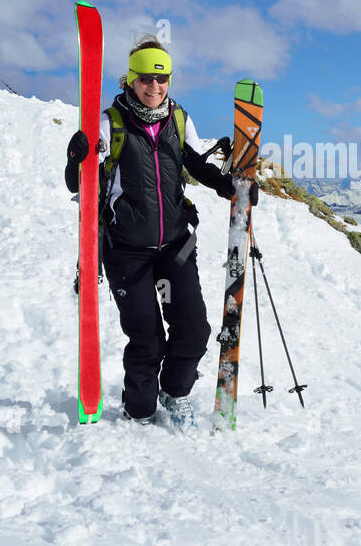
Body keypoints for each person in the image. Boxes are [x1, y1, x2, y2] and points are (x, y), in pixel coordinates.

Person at [65, 36, 257, 429]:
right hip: (126, 251)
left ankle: (175, 392)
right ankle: (139, 409)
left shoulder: (179, 119)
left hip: (175, 247)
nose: (155, 87)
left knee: (193, 329)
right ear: (130, 80)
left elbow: (198, 165)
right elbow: (79, 183)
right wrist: (77, 156)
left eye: (162, 78)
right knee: (146, 339)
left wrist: (232, 187)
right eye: (146, 80)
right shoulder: (109, 123)